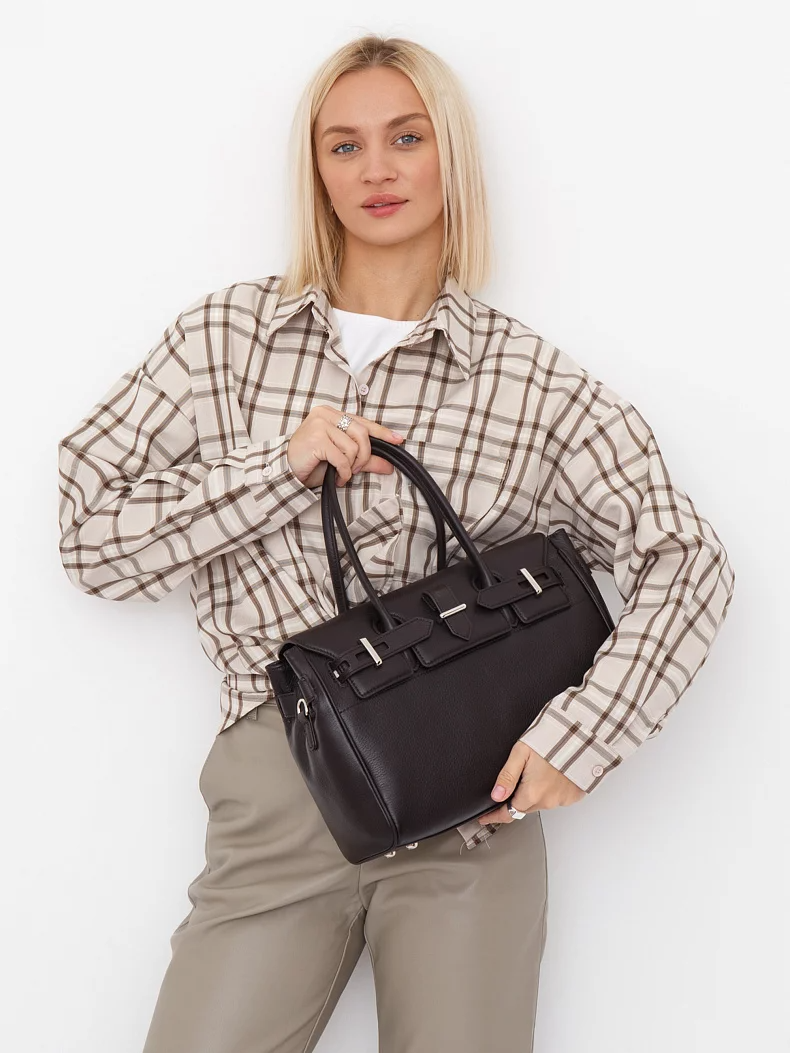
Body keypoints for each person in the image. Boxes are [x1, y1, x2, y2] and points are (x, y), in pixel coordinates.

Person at [56, 33, 736, 1053]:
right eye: (344, 145)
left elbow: (686, 558)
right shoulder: (224, 340)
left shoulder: (530, 381)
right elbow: (88, 536)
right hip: (280, 787)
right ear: (317, 171)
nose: (376, 168)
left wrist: (583, 736)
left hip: (473, 806)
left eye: (406, 138)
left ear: (449, 154)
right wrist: (277, 469)